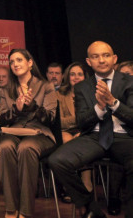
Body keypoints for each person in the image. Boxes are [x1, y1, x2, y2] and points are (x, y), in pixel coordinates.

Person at [49, 41, 133, 218]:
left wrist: (113, 103)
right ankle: (90, 208)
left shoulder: (129, 82)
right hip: (94, 137)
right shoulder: (82, 87)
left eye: (106, 55)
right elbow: (82, 122)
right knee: (58, 160)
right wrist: (99, 109)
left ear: (114, 59)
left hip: (125, 137)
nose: (101, 60)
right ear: (89, 61)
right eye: (95, 56)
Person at [0, 48, 58, 218]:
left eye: (19, 60)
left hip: (39, 134)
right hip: (13, 132)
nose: (15, 64)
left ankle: (25, 211)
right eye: (12, 61)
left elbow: (50, 119)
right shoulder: (6, 89)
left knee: (26, 148)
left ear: (30, 63)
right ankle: (11, 209)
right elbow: (1, 120)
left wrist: (32, 107)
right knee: (5, 146)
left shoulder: (46, 86)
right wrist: (16, 108)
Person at [56, 61, 92, 201]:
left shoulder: (92, 93)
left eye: (79, 74)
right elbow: (59, 121)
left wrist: (80, 124)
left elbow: (94, 118)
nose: (76, 77)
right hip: (64, 131)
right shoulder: (59, 94)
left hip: (85, 131)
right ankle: (70, 185)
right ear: (67, 77)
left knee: (82, 140)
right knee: (67, 141)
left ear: (85, 77)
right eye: (72, 74)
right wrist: (79, 118)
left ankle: (86, 182)